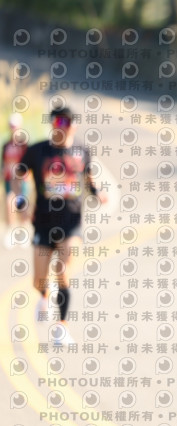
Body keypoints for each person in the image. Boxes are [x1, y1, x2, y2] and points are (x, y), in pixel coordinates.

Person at [13, 107, 107, 345]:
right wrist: (21, 201)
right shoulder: (37, 150)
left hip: (71, 223)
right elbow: (18, 175)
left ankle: (61, 328)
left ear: (74, 126)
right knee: (39, 280)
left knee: (62, 272)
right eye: (57, 123)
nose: (62, 128)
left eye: (66, 123)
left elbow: (89, 177)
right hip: (43, 223)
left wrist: (97, 193)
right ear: (52, 125)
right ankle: (44, 296)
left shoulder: (82, 151)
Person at [2, 113, 29, 247]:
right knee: (9, 204)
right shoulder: (6, 145)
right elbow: (4, 164)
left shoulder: (24, 145)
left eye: (15, 126)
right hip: (9, 180)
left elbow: (29, 164)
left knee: (21, 207)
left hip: (21, 181)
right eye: (11, 126)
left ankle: (23, 233)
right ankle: (11, 232)